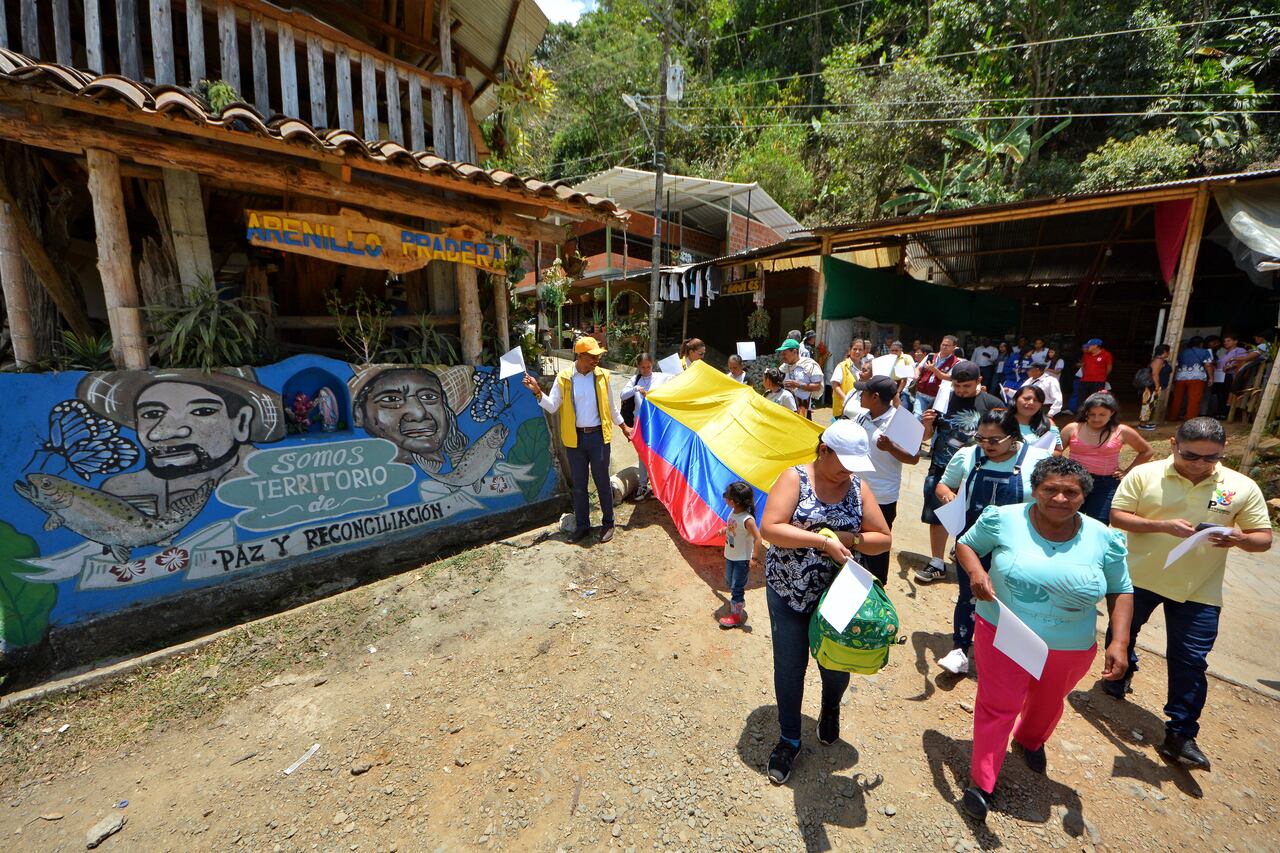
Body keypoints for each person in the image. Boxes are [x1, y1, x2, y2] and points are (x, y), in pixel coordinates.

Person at [956, 456, 1133, 821]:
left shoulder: (1104, 537)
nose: (1060, 498)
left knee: (1048, 701)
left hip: (1071, 646)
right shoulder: (1004, 519)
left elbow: (1121, 588)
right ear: (1035, 490)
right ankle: (983, 782)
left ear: (1085, 496)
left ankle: (1030, 739)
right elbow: (966, 545)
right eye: (1049, 489)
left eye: (1071, 492)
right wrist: (976, 572)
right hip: (1005, 630)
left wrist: (1119, 642)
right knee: (997, 704)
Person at [1108, 417, 1273, 769]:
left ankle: (1181, 734)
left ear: (1223, 452)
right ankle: (1122, 673)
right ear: (1174, 445)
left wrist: (1241, 539)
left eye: (1210, 458)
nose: (1200, 464)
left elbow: (1263, 538)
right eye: (1191, 455)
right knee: (1124, 634)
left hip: (1199, 588)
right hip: (1138, 577)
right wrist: (1160, 525)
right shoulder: (1145, 474)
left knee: (1191, 660)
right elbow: (1118, 515)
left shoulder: (1240, 486)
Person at [759, 420, 892, 784]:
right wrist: (822, 541)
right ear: (823, 451)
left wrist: (851, 539)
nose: (849, 471)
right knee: (789, 666)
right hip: (789, 592)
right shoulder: (794, 480)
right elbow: (771, 527)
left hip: (839, 597)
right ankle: (789, 738)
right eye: (843, 462)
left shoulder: (857, 488)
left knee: (836, 663)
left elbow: (883, 537)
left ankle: (830, 707)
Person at [933, 410, 1051, 674]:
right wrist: (948, 497)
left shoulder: (1037, 459)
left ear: (1013, 437)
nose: (986, 445)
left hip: (1021, 542)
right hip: (975, 541)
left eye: (994, 440)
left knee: (1016, 598)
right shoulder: (968, 455)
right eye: (981, 438)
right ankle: (960, 649)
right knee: (970, 593)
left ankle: (1011, 653)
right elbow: (943, 485)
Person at [78, 368, 286, 514]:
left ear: (241, 422)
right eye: (151, 414)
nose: (162, 433)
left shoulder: (272, 479)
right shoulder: (123, 491)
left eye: (202, 411)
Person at [523, 336, 632, 544]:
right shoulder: (564, 378)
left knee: (602, 482)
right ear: (580, 356)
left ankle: (608, 523)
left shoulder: (602, 376)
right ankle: (583, 526)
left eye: (597, 356)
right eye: (592, 357)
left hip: (599, 437)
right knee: (580, 486)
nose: (596, 360)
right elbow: (553, 406)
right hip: (576, 440)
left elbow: (611, 407)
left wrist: (624, 427)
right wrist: (538, 392)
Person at [915, 360, 1006, 583]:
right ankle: (937, 562)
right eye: (957, 386)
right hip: (941, 465)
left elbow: (1004, 436)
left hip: (978, 470)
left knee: (974, 516)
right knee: (938, 515)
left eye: (967, 386)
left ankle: (968, 556)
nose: (961, 391)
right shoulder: (943, 399)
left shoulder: (993, 403)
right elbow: (926, 437)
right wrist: (927, 424)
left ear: (979, 382)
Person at [850, 376, 921, 583]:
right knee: (856, 539)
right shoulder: (863, 416)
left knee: (877, 545)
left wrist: (891, 447)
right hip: (857, 490)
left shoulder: (902, 421)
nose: (859, 396)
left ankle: (877, 586)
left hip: (882, 497)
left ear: (875, 397)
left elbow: (915, 458)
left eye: (863, 392)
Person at [1060, 393, 1153, 523]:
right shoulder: (1072, 428)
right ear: (1085, 412)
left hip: (1105, 484)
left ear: (1112, 413)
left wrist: (1127, 471)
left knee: (1099, 522)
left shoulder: (1122, 430)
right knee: (1068, 520)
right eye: (1092, 414)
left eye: (1102, 414)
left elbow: (1147, 451)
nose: (1096, 418)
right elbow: (1055, 452)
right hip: (1074, 481)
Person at [718, 481, 763, 629]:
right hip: (730, 555)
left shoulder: (747, 520)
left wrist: (754, 558)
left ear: (733, 502)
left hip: (741, 559)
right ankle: (738, 602)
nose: (725, 497)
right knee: (730, 581)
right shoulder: (734, 512)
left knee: (736, 587)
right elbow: (733, 526)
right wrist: (725, 530)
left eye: (726, 495)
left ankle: (736, 615)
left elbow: (758, 538)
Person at [621, 353, 665, 500]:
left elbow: (678, 380)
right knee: (642, 454)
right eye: (642, 367)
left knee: (657, 454)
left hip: (657, 424)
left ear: (653, 365)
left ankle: (657, 486)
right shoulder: (635, 380)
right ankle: (643, 485)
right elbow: (622, 395)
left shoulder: (660, 377)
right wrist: (636, 389)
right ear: (638, 367)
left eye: (648, 367)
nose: (646, 370)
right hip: (640, 424)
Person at [1168, 336, 1214, 421]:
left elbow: (1176, 366)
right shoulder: (1205, 352)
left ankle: (1173, 416)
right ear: (1201, 344)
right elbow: (1208, 365)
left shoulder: (1182, 352)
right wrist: (1211, 377)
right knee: (1194, 399)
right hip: (1197, 377)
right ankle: (1190, 418)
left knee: (1177, 398)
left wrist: (1174, 378)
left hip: (1180, 377)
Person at [913, 335, 960, 417]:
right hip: (921, 393)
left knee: (933, 421)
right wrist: (916, 374)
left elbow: (949, 378)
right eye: (943, 344)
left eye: (947, 345)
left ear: (954, 347)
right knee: (917, 416)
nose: (944, 347)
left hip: (938, 397)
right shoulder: (931, 355)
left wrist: (934, 369)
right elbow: (919, 367)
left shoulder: (956, 362)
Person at [777, 338, 824, 419]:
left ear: (795, 352)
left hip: (802, 409)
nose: (782, 356)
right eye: (782, 353)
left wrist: (798, 385)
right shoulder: (783, 367)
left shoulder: (809, 365)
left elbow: (817, 387)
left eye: (785, 353)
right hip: (785, 409)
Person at [1010, 384, 1061, 451]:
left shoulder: (1048, 424)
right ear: (1016, 399)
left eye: (1036, 400)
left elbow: (1057, 451)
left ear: (1041, 405)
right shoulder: (1002, 420)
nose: (1031, 402)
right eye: (1027, 398)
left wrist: (1033, 455)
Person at [829, 340, 869, 418]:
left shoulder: (866, 367)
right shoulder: (842, 366)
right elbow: (835, 385)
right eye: (855, 349)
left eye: (860, 349)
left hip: (859, 410)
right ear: (849, 350)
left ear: (864, 352)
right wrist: (846, 399)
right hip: (844, 410)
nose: (857, 352)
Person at [1137, 344, 1173, 430]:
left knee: (1150, 404)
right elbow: (1155, 374)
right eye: (1168, 351)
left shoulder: (1159, 360)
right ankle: (1142, 424)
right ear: (1164, 352)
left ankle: (1145, 422)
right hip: (1152, 386)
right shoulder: (1159, 360)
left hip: (1153, 386)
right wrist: (1157, 386)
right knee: (1148, 404)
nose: (1169, 353)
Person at [1211, 335, 1246, 418]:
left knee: (1227, 394)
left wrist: (1231, 366)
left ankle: (1225, 413)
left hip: (1231, 375)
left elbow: (1243, 361)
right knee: (1220, 394)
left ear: (1235, 341)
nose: (1225, 343)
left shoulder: (1240, 350)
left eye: (1228, 340)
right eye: (1224, 341)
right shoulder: (1225, 352)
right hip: (1221, 375)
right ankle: (1220, 412)